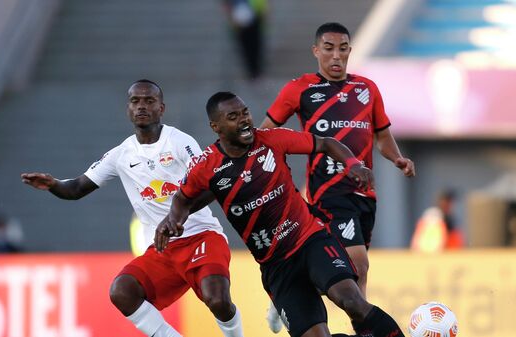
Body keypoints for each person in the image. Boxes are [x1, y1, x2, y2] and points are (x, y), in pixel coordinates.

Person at [155, 92, 405, 337]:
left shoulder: (272, 140)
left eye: (245, 112)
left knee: (351, 301)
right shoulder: (206, 166)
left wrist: (354, 165)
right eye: (233, 116)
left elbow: (326, 143)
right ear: (216, 126)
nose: (244, 120)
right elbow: (182, 198)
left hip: (310, 240)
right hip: (276, 265)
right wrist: (174, 219)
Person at [21, 80, 244, 337]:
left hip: (201, 236)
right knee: (122, 291)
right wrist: (53, 184)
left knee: (217, 300)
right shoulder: (121, 154)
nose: (141, 106)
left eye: (149, 101)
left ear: (162, 108)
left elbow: (213, 185)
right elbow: (76, 189)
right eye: (135, 101)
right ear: (127, 108)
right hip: (162, 250)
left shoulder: (180, 142)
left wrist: (175, 218)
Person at [260, 22, 415, 332]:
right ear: (316, 51)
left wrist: (397, 158)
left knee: (351, 271)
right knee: (358, 263)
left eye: (342, 49)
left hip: (364, 194)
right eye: (328, 49)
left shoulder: (367, 89)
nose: (336, 56)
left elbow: (382, 136)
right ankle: (366, 330)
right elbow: (265, 134)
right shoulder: (299, 89)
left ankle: (291, 290)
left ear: (349, 51)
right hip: (326, 193)